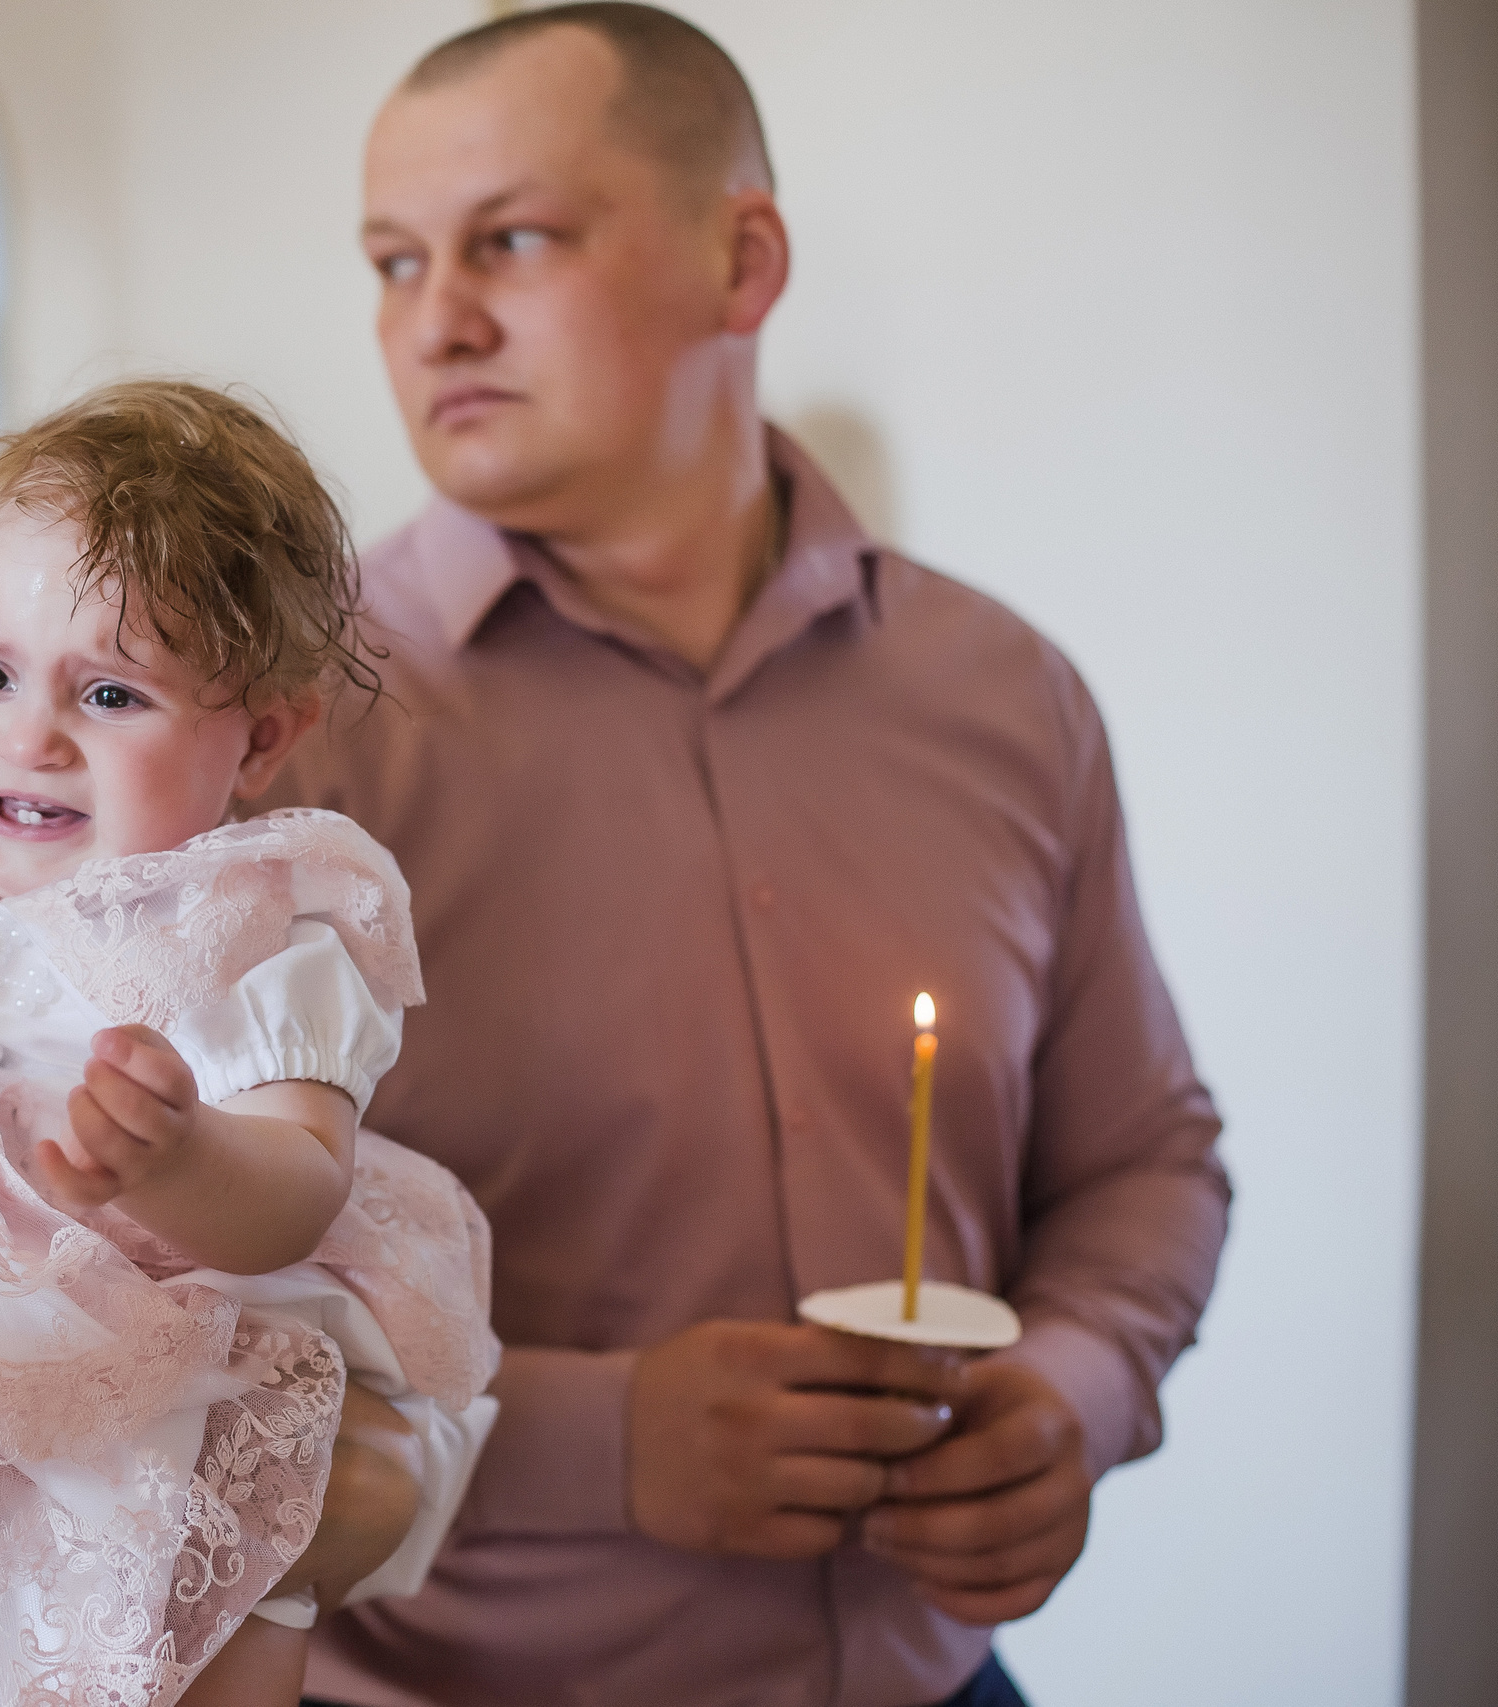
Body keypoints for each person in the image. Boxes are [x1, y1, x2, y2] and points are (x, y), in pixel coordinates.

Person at [263, 8, 1232, 1705]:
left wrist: (1074, 1389)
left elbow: (1146, 1156)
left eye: (514, 239)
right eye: (395, 263)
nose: (438, 322)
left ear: (743, 256)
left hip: (940, 1678)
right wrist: (593, 1441)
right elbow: (125, 1299)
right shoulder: (292, 728)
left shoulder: (1008, 696)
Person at [0, 381, 500, 1707]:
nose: (31, 736)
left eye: (113, 693)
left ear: (262, 735)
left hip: (188, 1356)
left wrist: (180, 1156)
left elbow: (297, 1187)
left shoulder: (258, 919)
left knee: (223, 1602)